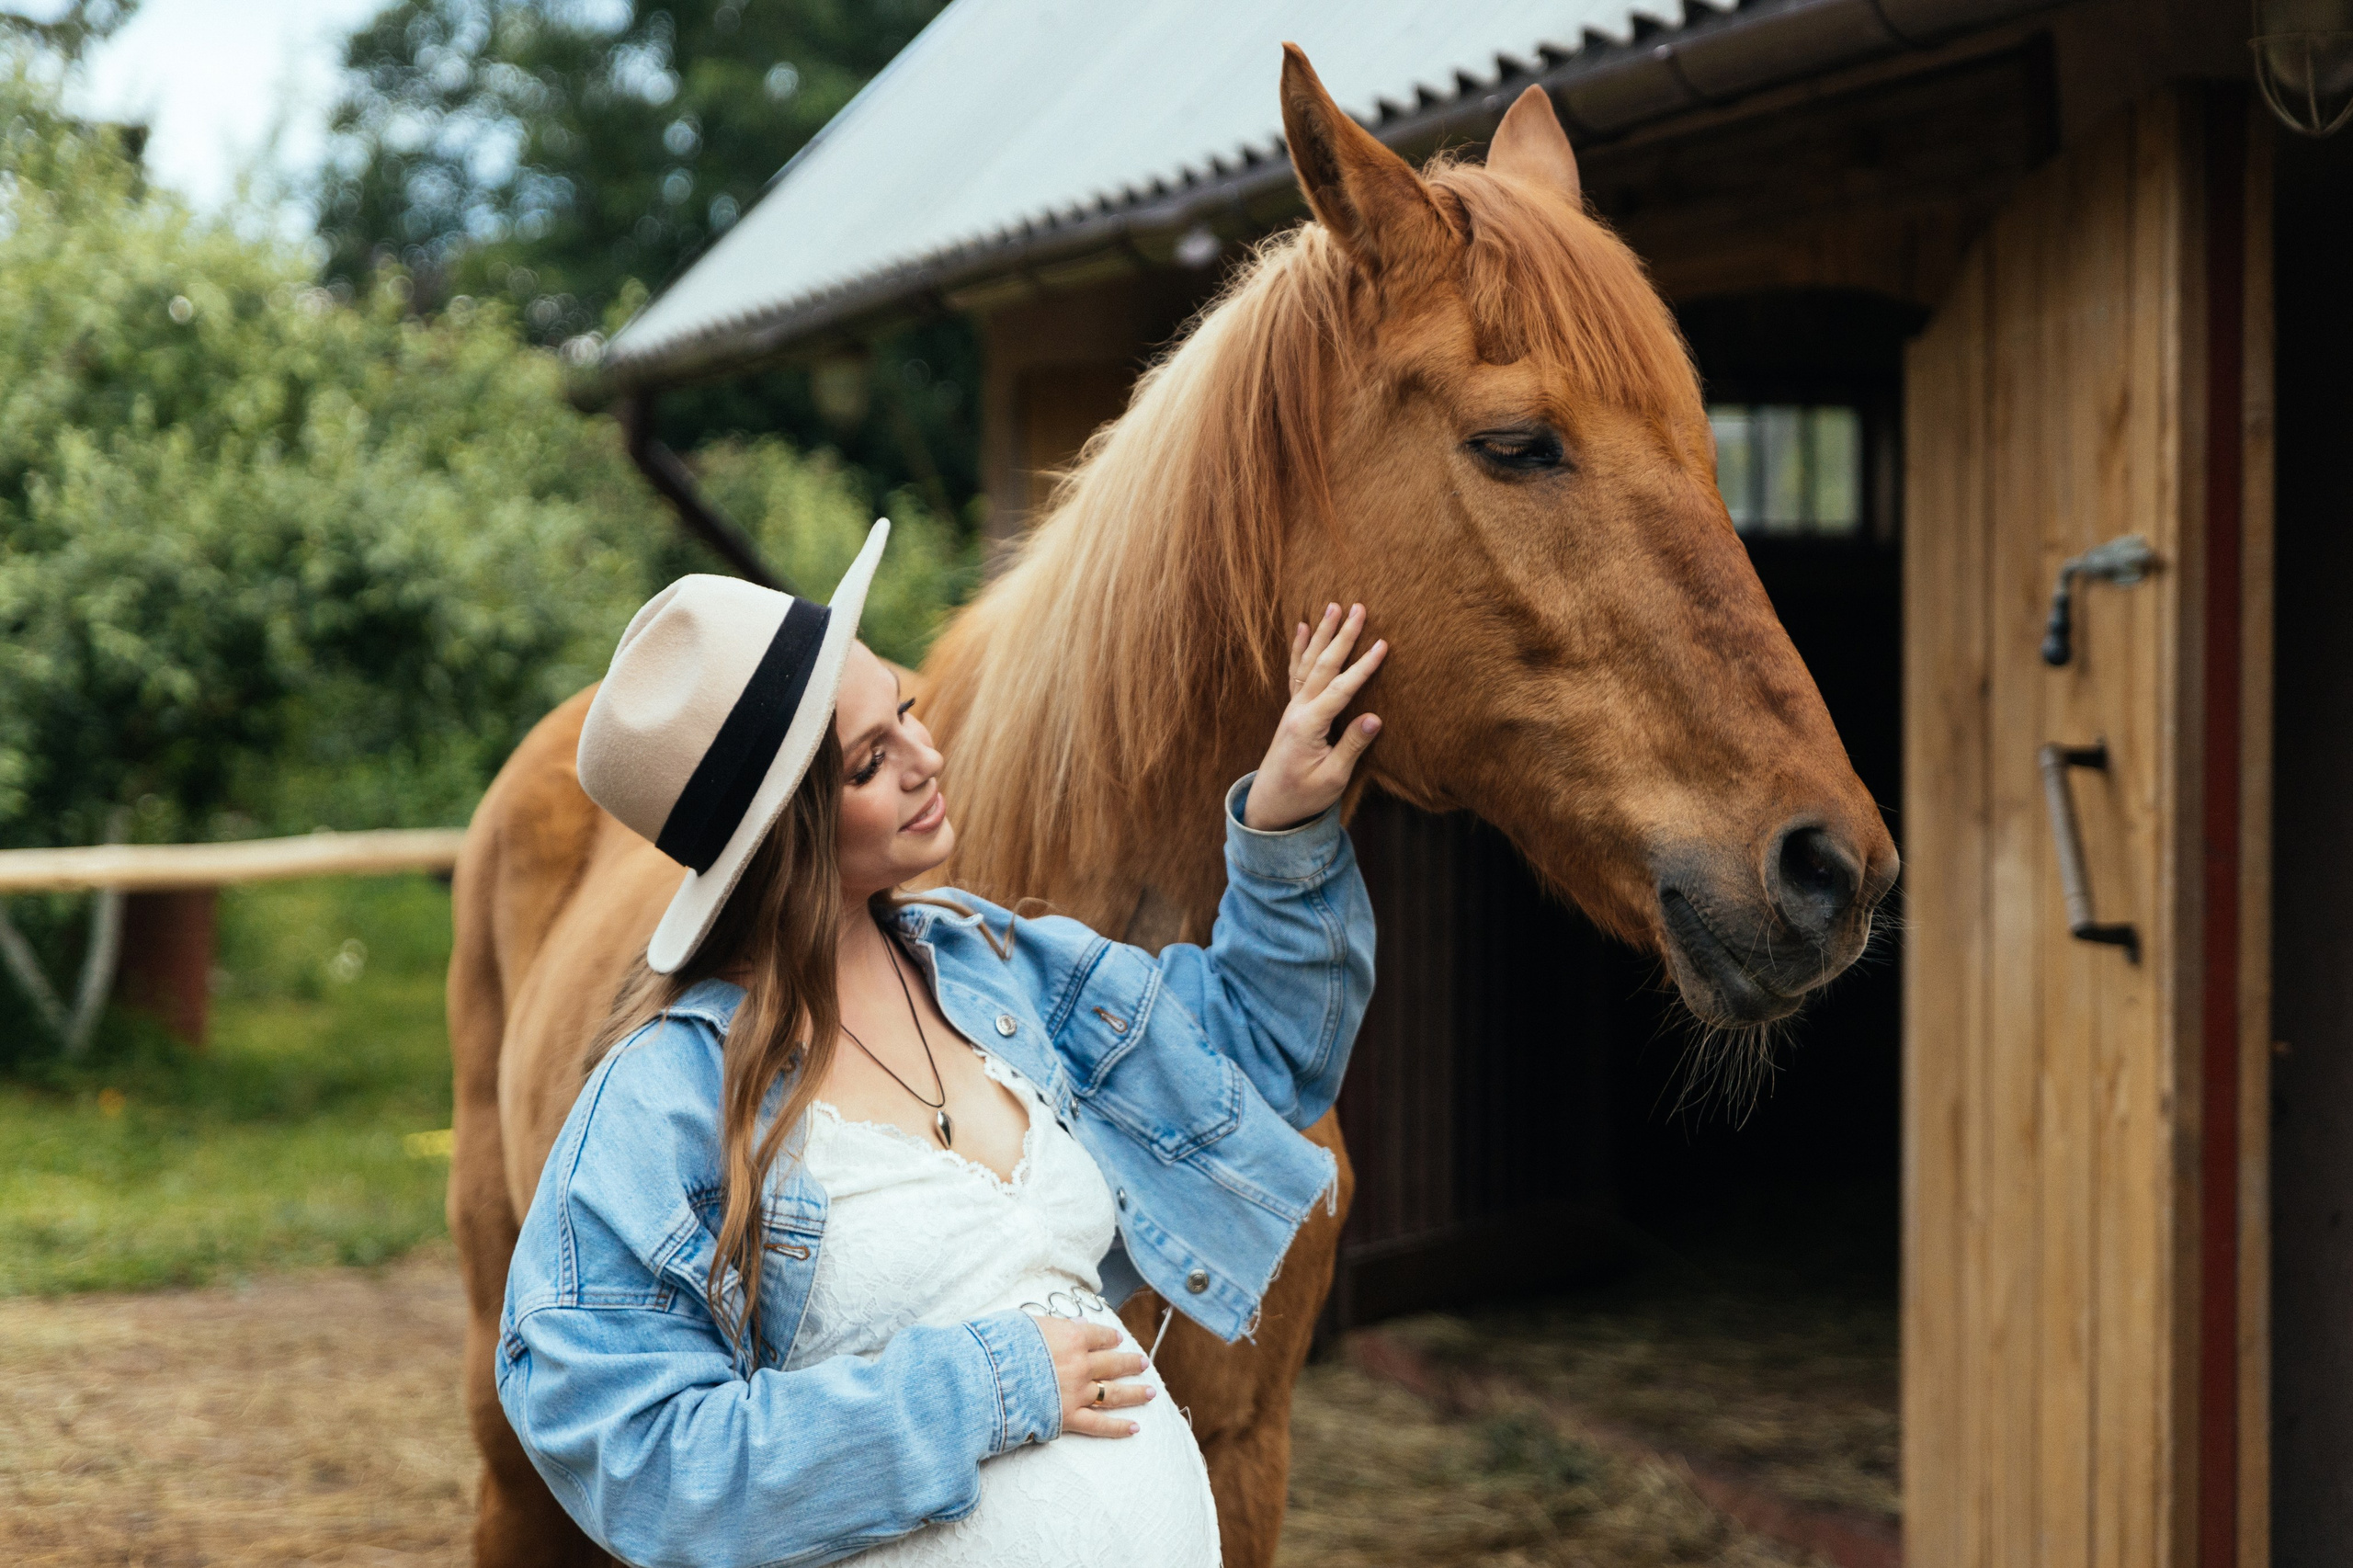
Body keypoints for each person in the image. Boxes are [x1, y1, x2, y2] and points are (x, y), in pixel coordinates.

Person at [496, 519, 1384, 1567]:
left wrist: (1281, 822)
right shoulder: (663, 1101)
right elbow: (646, 1457)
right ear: (786, 828)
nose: (928, 757)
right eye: (874, 758)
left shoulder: (1001, 971)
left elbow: (1257, 1053)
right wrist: (988, 1384)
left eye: (907, 714)